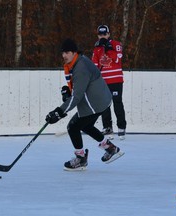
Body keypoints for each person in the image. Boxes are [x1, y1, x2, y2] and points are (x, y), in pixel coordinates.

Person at [45, 38, 124, 171]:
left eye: (67, 52)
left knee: (73, 127)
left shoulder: (80, 67)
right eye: (62, 53)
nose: (64, 55)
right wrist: (67, 92)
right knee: (86, 125)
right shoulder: (78, 62)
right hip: (101, 100)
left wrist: (59, 112)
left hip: (95, 102)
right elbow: (78, 89)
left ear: (74, 52)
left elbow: (77, 96)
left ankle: (81, 159)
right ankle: (111, 148)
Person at [92, 25, 127, 140]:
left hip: (116, 79)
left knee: (117, 102)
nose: (103, 37)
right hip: (103, 81)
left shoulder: (116, 44)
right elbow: (95, 65)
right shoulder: (97, 48)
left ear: (109, 34)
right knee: (105, 105)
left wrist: (108, 48)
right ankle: (107, 127)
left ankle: (121, 127)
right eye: (100, 35)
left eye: (105, 34)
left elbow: (117, 59)